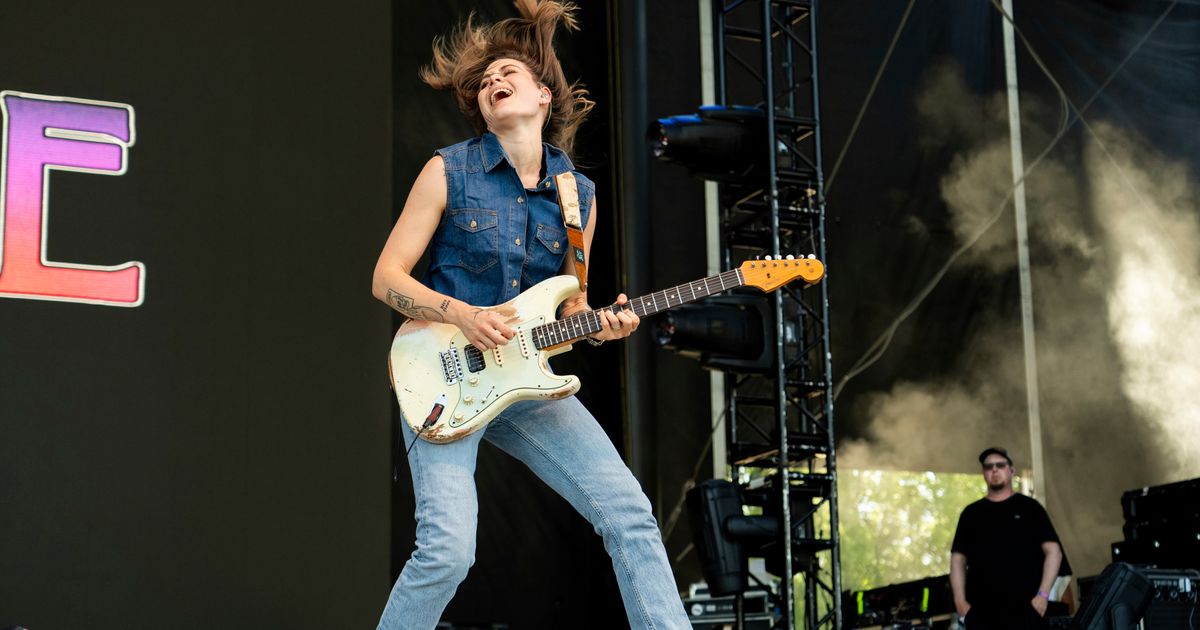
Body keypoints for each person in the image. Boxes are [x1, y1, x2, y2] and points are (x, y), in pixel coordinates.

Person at [370, 2, 691, 628]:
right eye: (486, 80)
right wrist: (460, 313)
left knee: (629, 515)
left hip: (527, 384)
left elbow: (572, 303)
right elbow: (386, 278)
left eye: (508, 72)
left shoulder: (580, 196)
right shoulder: (448, 170)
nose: (494, 81)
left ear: (543, 96)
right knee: (446, 552)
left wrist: (603, 321)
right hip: (441, 376)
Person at [949, 447, 1065, 629]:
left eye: (1000, 465)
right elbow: (957, 560)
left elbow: (1054, 552)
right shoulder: (971, 514)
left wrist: (1042, 596)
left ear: (1011, 471)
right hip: (981, 614)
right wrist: (960, 602)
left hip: (1026, 612)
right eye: (988, 467)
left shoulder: (1030, 508)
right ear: (983, 474)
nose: (994, 470)